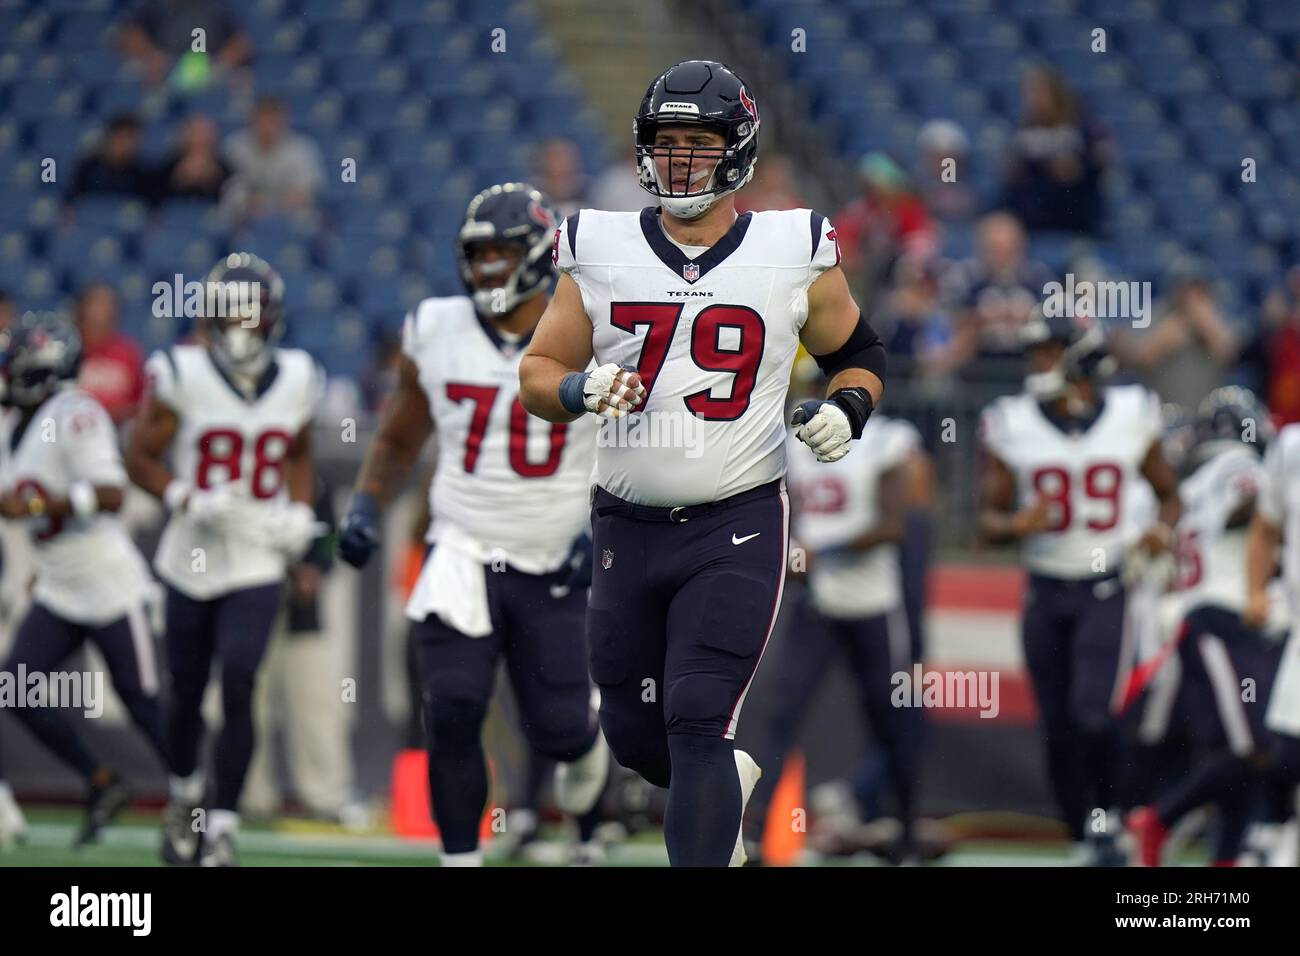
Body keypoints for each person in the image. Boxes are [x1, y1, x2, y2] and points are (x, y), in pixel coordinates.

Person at [518, 60, 887, 867]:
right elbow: (536, 376)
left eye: (699, 141)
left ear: (738, 149)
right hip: (626, 523)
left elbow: (859, 353)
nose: (680, 159)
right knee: (638, 740)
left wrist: (846, 409)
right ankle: (723, 778)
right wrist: (580, 387)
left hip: (736, 522)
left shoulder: (795, 245)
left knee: (695, 717)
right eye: (668, 142)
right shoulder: (599, 243)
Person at [336, 184, 609, 867]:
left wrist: (602, 532)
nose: (488, 267)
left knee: (559, 728)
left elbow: (634, 447)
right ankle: (459, 859)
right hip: (460, 547)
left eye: (502, 253)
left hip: (553, 552)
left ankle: (585, 754)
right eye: (478, 254)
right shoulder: (435, 326)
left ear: (540, 256)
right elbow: (399, 438)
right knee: (452, 707)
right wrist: (368, 503)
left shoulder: (591, 329)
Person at [125, 253, 324, 866]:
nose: (241, 328)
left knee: (239, 681)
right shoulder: (181, 373)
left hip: (257, 558)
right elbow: (138, 457)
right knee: (185, 694)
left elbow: (296, 452)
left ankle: (225, 826)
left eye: (251, 315)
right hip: (190, 555)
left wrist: (298, 511)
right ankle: (186, 794)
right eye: (230, 315)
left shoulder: (297, 376)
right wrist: (184, 495)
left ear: (272, 321)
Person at [977, 311, 1181, 865]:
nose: (1038, 363)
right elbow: (987, 522)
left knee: (1096, 713)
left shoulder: (1131, 414)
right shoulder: (1011, 421)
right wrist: (1017, 525)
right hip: (1044, 591)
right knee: (1059, 726)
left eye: (1048, 352)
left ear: (1079, 358)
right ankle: (1078, 833)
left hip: (1107, 588)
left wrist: (1160, 534)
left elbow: (1167, 491)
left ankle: (1107, 821)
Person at [0, 311, 171, 846]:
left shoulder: (75, 412)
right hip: (58, 587)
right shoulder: (11, 425)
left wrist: (40, 502)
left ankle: (200, 797)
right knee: (17, 688)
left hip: (108, 583)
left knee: (141, 701)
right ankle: (101, 780)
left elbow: (112, 492)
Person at [744, 365, 922, 864]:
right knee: (782, 713)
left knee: (890, 718)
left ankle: (903, 828)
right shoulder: (790, 442)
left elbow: (892, 526)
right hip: (818, 603)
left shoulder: (884, 440)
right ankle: (759, 833)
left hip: (872, 603)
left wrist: (821, 549)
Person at [1127, 388, 1287, 865]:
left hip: (1211, 621)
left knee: (1238, 754)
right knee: (1259, 746)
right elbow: (1255, 501)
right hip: (1224, 618)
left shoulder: (1191, 487)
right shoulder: (1240, 468)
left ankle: (1224, 859)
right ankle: (1158, 819)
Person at [1000, 66, 1110, 235]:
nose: (1034, 99)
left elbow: (1101, 160)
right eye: (1029, 94)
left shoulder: (1082, 126)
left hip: (1077, 215)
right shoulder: (1023, 130)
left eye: (1039, 92)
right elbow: (1012, 174)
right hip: (1035, 219)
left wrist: (1078, 168)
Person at [222, 97, 325, 225]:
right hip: (245, 218)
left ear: (284, 121)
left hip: (289, 219)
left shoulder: (302, 149)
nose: (267, 128)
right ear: (251, 121)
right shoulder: (234, 147)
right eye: (262, 120)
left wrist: (266, 204)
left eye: (272, 121)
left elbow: (305, 195)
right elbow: (232, 193)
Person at [74, 282, 145, 426]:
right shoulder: (70, 350)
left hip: (118, 430)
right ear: (82, 309)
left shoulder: (128, 352)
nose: (101, 311)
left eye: (108, 304)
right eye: (96, 303)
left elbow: (139, 403)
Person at [66, 113, 154, 205]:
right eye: (121, 138)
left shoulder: (142, 173)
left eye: (132, 140)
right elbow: (72, 199)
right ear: (109, 138)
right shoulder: (88, 168)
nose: (125, 145)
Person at [156, 114, 230, 203]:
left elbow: (229, 200)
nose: (200, 140)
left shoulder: (226, 170)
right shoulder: (166, 169)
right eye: (195, 134)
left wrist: (212, 179)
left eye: (205, 135)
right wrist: (180, 178)